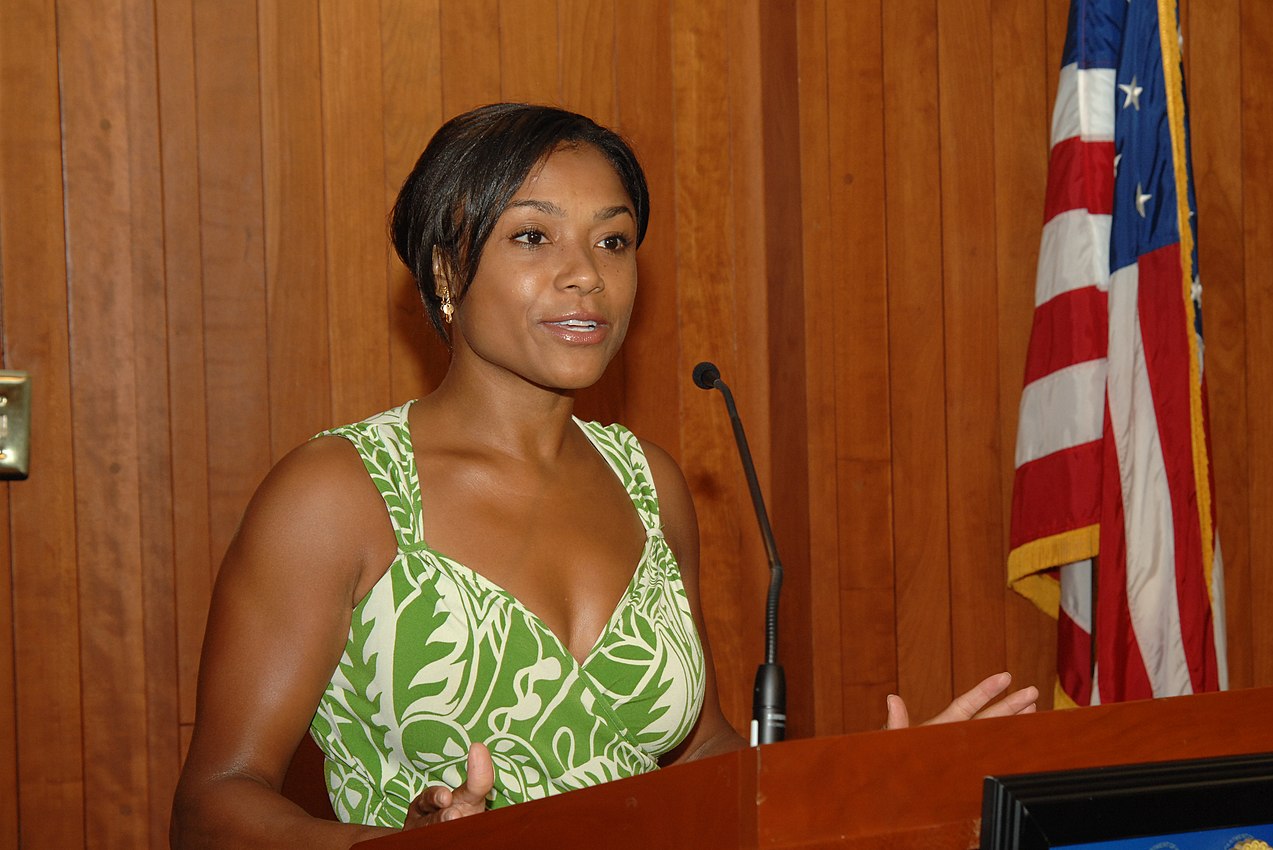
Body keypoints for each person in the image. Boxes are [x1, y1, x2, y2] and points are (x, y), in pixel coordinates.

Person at [170, 103, 1037, 849]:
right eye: (533, 236)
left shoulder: (647, 481)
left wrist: (870, 783)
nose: (587, 274)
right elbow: (217, 801)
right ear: (444, 271)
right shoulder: (338, 492)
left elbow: (698, 757)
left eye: (613, 240)